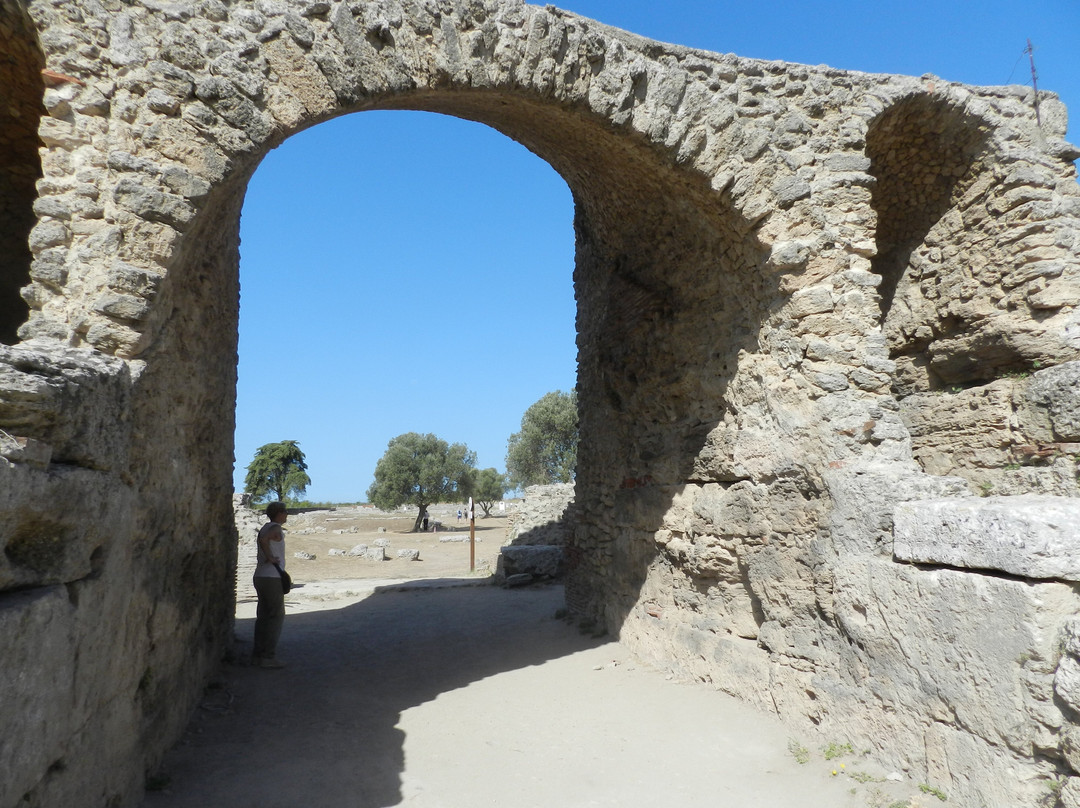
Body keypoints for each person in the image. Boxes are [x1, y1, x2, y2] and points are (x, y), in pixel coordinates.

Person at [253, 501, 288, 669]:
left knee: (264, 616)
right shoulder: (275, 529)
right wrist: (271, 557)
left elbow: (262, 537)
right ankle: (268, 656)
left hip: (260, 575)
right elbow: (264, 540)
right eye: (285, 512)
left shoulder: (265, 527)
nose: (287, 515)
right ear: (279, 513)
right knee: (276, 616)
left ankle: (258, 654)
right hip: (272, 577)